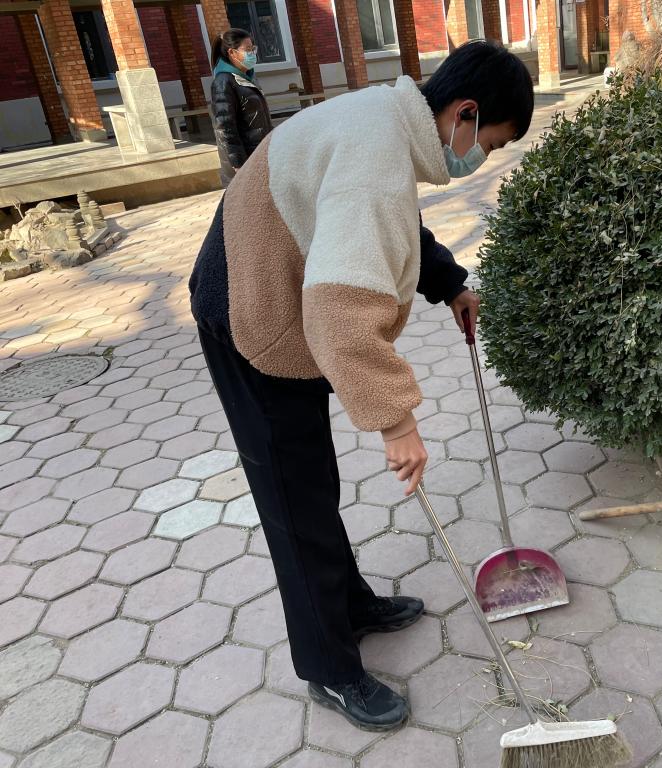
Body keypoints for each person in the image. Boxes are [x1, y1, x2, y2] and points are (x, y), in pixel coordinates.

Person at [189, 40, 534, 731]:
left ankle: (348, 604)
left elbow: (391, 222)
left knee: (313, 482)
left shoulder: (391, 123)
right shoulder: (376, 153)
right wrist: (397, 423)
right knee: (294, 499)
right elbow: (340, 314)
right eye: (490, 143)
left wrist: (450, 283)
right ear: (464, 113)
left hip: (277, 290)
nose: (482, 157)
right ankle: (329, 667)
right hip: (249, 312)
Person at [210, 28, 273, 187]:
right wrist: (238, 163)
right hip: (243, 163)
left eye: (253, 49)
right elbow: (225, 127)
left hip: (258, 154)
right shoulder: (223, 82)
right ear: (232, 53)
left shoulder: (247, 78)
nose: (252, 53)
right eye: (248, 50)